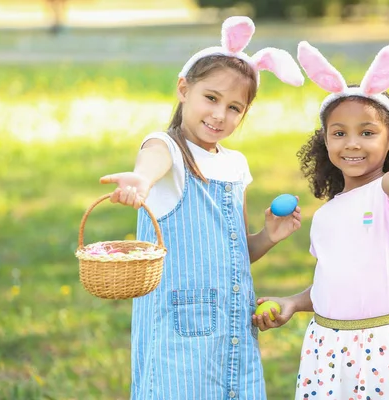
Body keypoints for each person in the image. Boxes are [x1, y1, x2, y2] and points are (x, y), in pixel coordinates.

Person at [99, 16, 304, 400]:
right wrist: (142, 181)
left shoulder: (235, 165)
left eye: (234, 107)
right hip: (180, 333)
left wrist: (268, 238)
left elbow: (235, 250)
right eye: (211, 98)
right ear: (184, 89)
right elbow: (154, 160)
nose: (219, 115)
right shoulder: (167, 148)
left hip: (233, 332)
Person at [252, 41, 389, 399]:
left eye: (367, 133)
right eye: (339, 133)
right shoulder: (326, 214)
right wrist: (294, 302)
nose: (352, 143)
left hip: (376, 348)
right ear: (326, 138)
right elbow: (335, 281)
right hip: (325, 345)